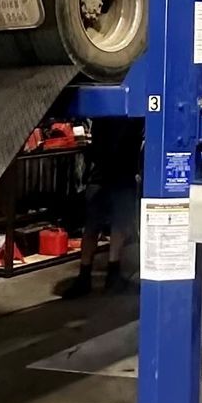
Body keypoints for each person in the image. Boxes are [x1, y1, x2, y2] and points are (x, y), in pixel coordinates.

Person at [61, 119, 142, 298]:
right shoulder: (119, 112)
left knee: (114, 225)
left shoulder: (120, 114)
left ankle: (108, 273)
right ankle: (88, 276)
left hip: (118, 172)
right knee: (94, 226)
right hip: (108, 172)